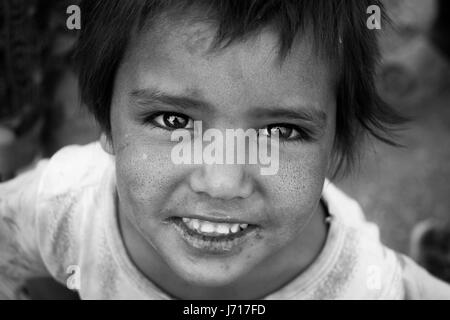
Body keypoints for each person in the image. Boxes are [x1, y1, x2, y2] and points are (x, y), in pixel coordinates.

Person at [1, 0, 449, 300]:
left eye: (280, 131)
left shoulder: (369, 287)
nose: (221, 183)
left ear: (335, 146)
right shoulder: (62, 207)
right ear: (106, 123)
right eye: (174, 121)